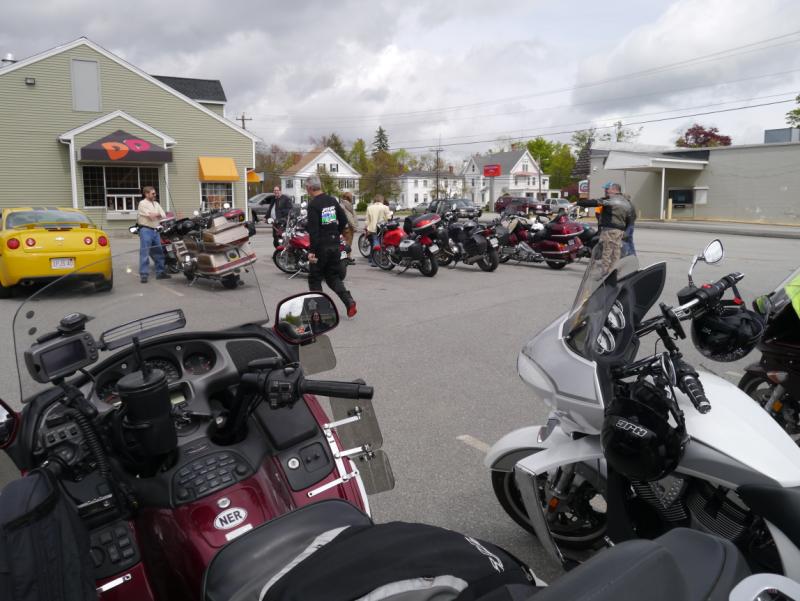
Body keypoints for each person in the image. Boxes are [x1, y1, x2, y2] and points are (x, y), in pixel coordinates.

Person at [305, 174, 357, 318]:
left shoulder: (313, 205)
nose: (306, 190)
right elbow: (343, 220)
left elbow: (314, 231)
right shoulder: (332, 200)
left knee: (315, 278)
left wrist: (311, 251)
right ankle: (349, 302)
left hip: (320, 248)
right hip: (334, 246)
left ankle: (319, 311)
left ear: (310, 188)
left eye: (306, 187)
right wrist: (335, 233)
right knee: (332, 276)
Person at [578, 182, 634, 273]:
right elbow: (630, 218)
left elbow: (594, 202)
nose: (607, 191)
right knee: (616, 253)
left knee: (607, 252)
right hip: (620, 231)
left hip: (609, 230)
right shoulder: (626, 202)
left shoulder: (610, 200)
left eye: (609, 189)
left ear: (615, 190)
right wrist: (624, 229)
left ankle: (605, 273)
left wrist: (578, 203)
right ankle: (614, 271)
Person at [136, 186, 170, 283]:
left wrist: (156, 214)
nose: (155, 195)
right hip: (145, 230)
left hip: (155, 230)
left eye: (155, 193)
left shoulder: (156, 203)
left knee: (159, 252)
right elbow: (151, 217)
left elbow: (164, 215)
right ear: (146, 194)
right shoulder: (142, 204)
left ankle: (160, 273)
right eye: (153, 193)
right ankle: (144, 275)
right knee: (145, 253)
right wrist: (158, 214)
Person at [365, 195, 392, 266]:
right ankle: (380, 260)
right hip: (382, 228)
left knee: (375, 242)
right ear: (381, 200)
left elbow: (367, 220)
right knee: (382, 243)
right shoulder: (385, 207)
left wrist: (366, 228)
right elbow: (388, 218)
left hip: (372, 228)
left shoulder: (369, 208)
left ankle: (374, 260)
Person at [339, 191, 359, 265]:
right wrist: (354, 226)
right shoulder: (346, 205)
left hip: (345, 227)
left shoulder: (342, 204)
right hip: (348, 227)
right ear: (349, 198)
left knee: (345, 243)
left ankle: (347, 257)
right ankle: (346, 258)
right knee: (347, 243)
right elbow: (349, 217)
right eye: (351, 197)